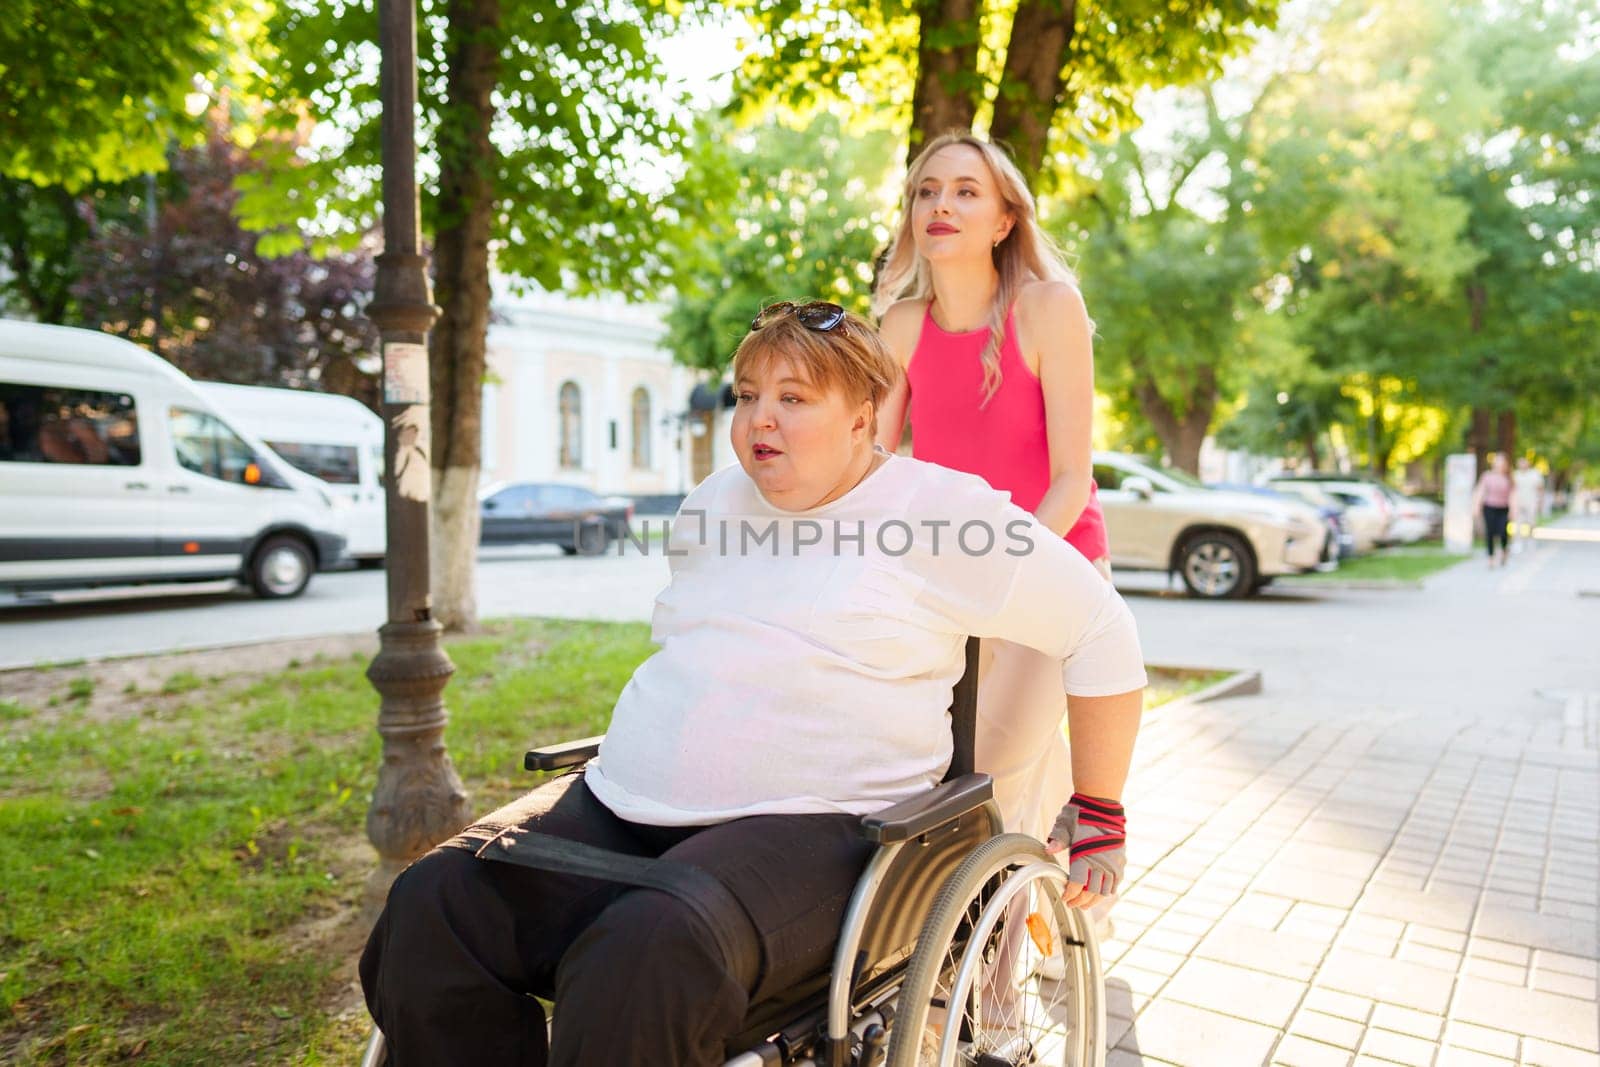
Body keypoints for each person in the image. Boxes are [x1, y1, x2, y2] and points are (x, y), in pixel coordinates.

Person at [360, 303, 1146, 1067]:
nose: (756, 420)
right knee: (434, 905)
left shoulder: (940, 515)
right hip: (623, 802)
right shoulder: (712, 502)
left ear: (864, 419)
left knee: (644, 952)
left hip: (827, 829)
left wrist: (1100, 806)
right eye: (747, 396)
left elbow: (1099, 627)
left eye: (793, 399)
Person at [871, 133, 1109, 858]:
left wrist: (1005, 569)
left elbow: (1072, 474)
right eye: (926, 191)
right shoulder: (903, 325)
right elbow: (875, 465)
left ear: (1005, 220)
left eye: (966, 191)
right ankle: (1047, 891)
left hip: (1053, 564)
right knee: (940, 759)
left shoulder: (1047, 307)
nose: (941, 204)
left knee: (991, 763)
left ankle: (1024, 925)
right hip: (956, 577)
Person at [1474, 453, 1514, 567]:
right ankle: (1490, 558)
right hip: (1489, 507)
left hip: (1504, 508)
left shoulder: (1508, 477)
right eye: (1497, 461)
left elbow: (1512, 495)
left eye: (1502, 462)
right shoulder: (1487, 476)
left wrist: (1512, 510)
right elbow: (1480, 491)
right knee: (1490, 532)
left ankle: (1504, 550)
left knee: (1503, 532)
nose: (1499, 464)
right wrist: (1477, 506)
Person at [1512, 456, 1545, 551]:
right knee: (1518, 523)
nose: (1522, 465)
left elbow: (1540, 488)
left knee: (1531, 522)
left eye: (1524, 462)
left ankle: (1531, 540)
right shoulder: (1515, 474)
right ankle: (1517, 542)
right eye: (1520, 463)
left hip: (1531, 501)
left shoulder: (1535, 474)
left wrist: (1541, 501)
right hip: (1518, 502)